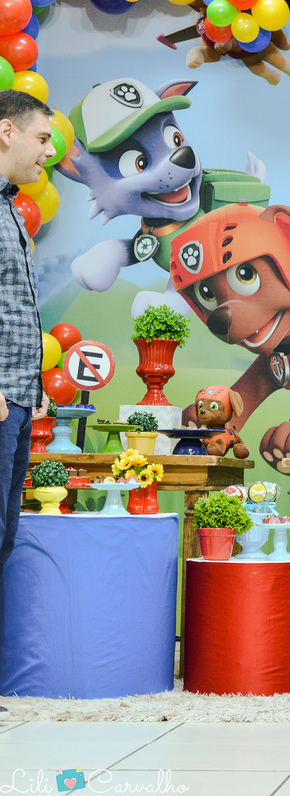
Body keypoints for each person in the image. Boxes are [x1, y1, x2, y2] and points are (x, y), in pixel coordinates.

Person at [0, 90, 56, 720]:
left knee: (4, 536)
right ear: (6, 132)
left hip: (17, 398)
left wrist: (31, 390)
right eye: (42, 139)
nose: (49, 151)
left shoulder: (11, 208)